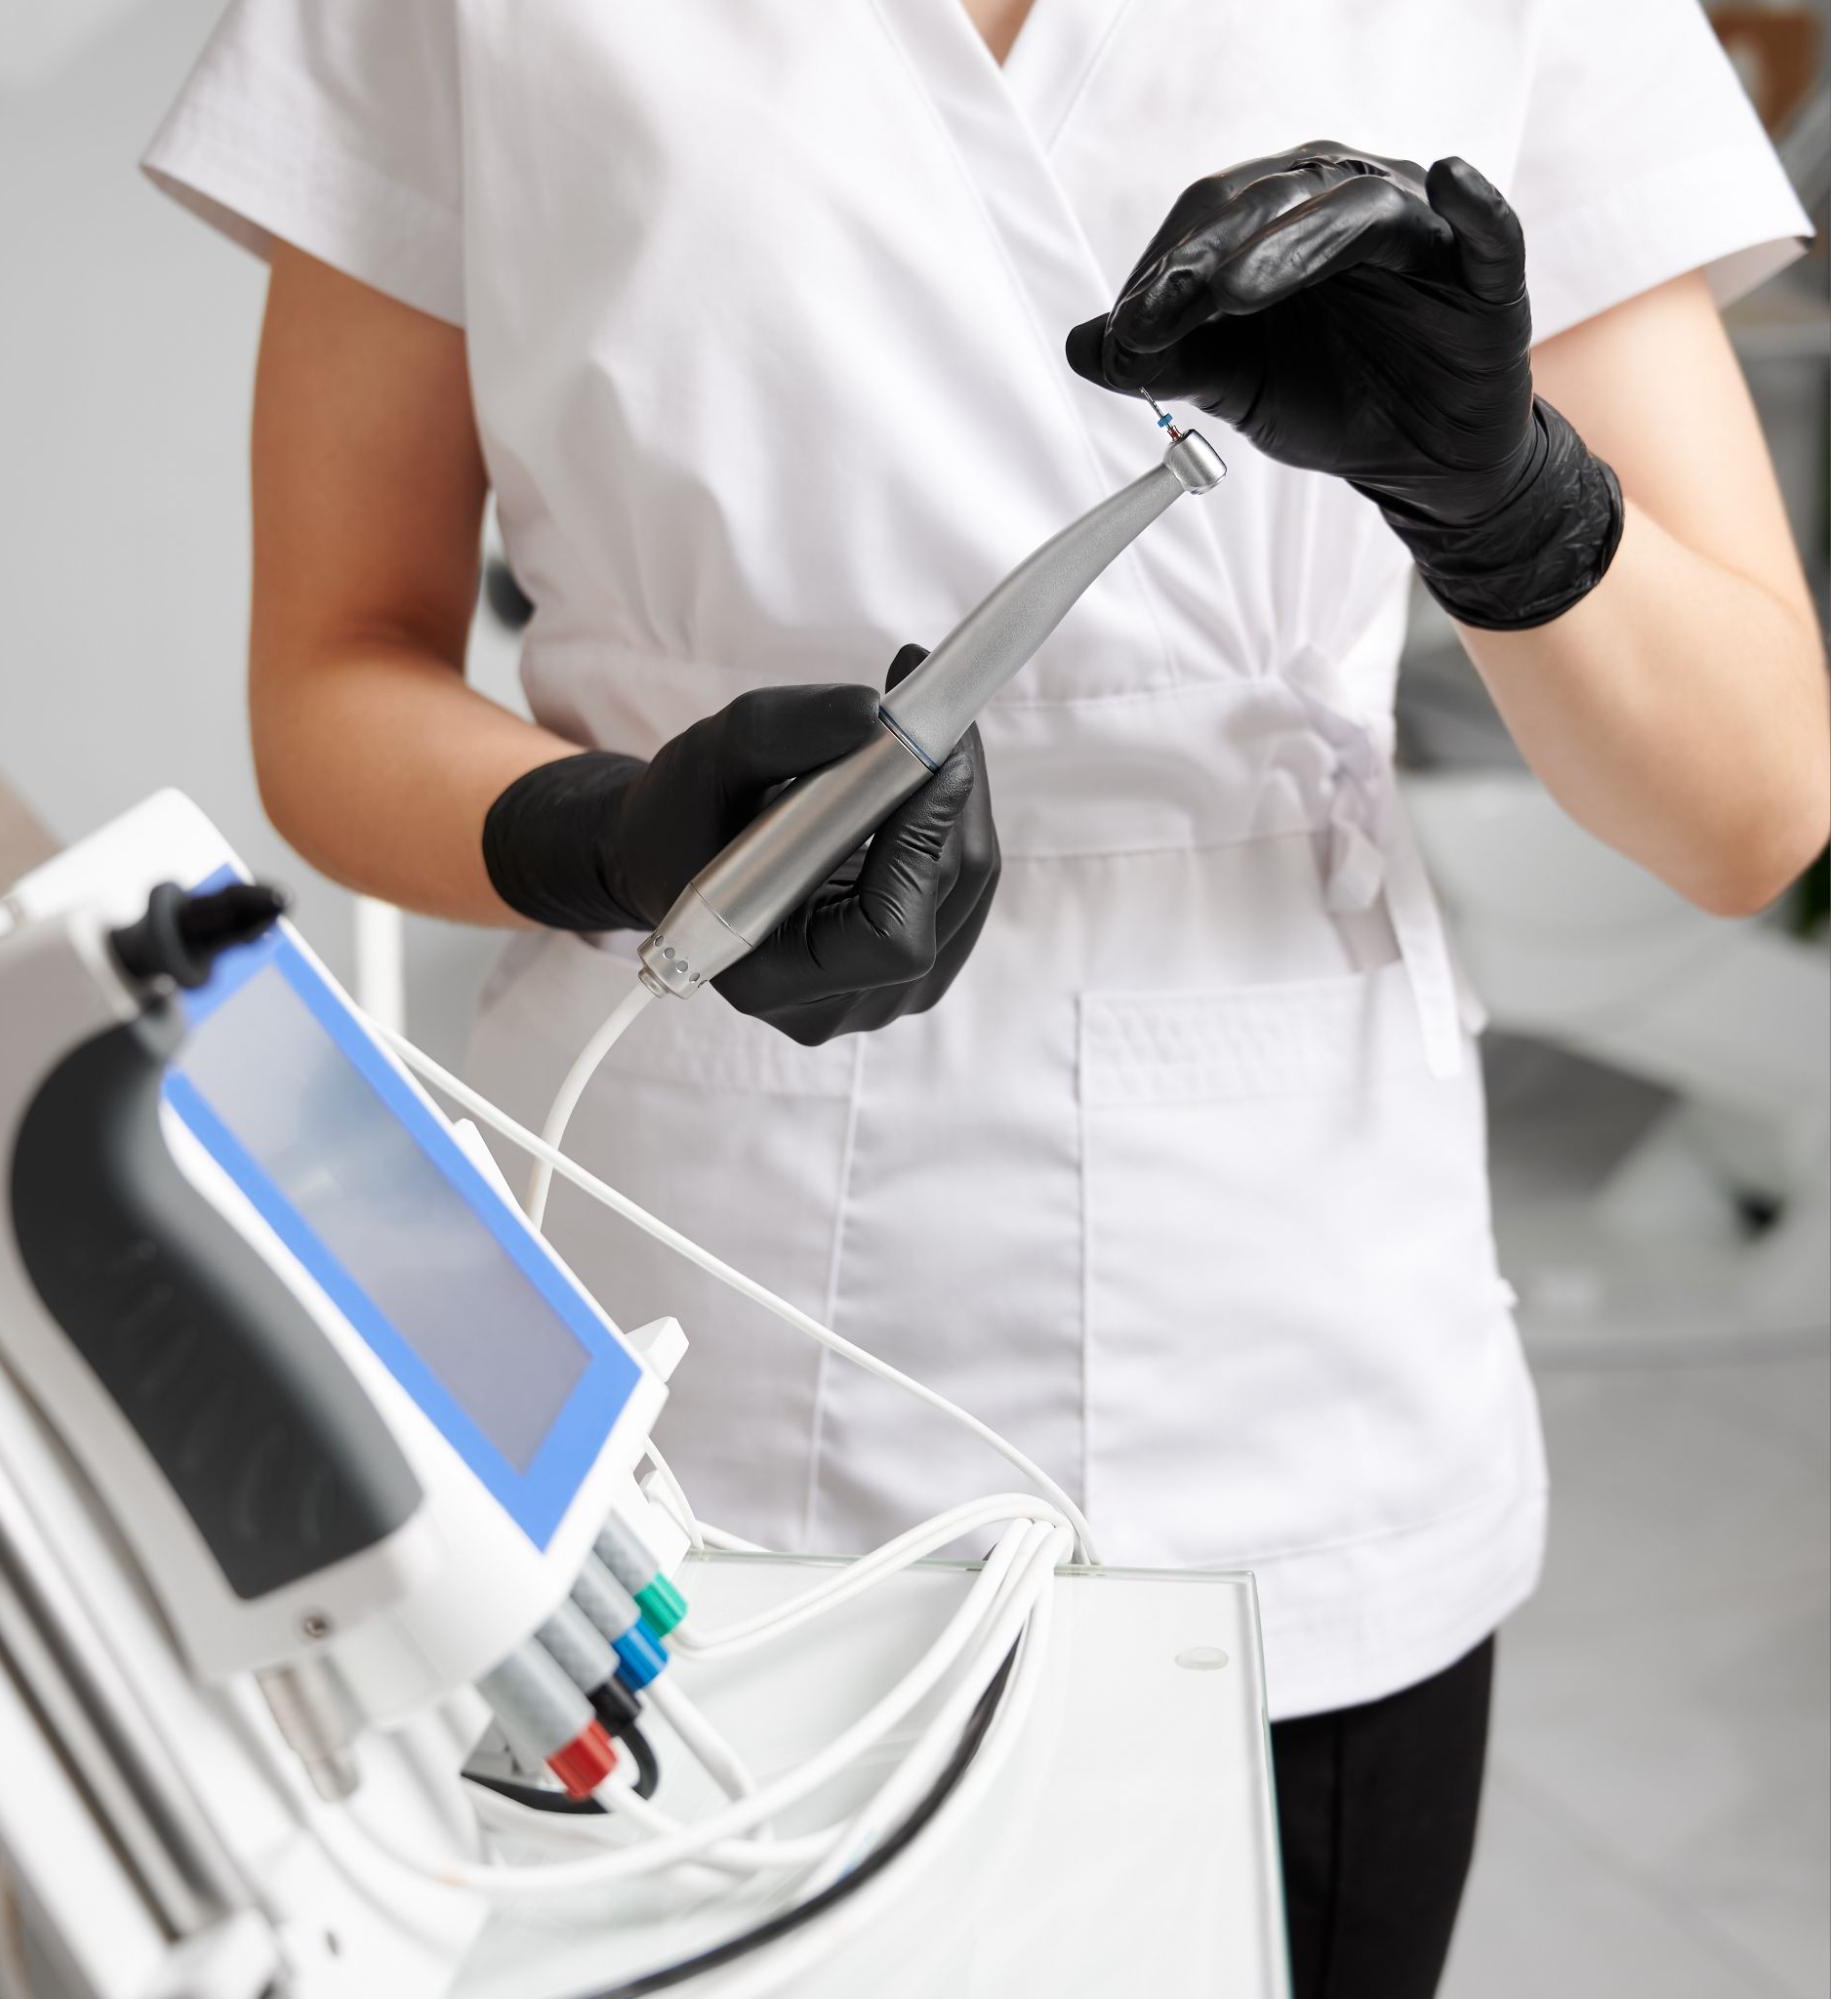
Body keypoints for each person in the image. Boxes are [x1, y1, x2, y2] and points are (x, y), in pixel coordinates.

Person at [144, 4, 1825, 1991]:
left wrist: (1507, 496)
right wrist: (616, 836)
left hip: (1297, 1352)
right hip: (689, 1300)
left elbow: (1751, 809)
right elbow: (331, 672)